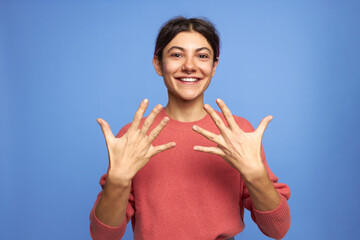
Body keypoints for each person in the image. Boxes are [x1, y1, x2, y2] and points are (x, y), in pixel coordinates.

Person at [89, 17, 291, 240]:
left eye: (202, 56)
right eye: (176, 54)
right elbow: (102, 237)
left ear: (214, 66)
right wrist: (117, 182)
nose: (189, 66)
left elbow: (277, 230)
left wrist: (255, 174)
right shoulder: (134, 137)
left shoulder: (238, 133)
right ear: (158, 64)